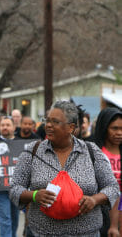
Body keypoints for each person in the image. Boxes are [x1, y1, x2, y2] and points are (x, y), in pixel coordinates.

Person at [10, 100, 120, 236]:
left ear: (71, 128)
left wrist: (95, 199)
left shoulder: (91, 152)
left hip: (86, 233)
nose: (48, 125)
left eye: (55, 122)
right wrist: (34, 195)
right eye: (47, 120)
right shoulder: (33, 151)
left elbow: (113, 188)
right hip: (42, 232)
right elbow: (14, 188)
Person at [94, 107, 122, 237]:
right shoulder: (95, 153)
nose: (119, 133)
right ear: (105, 128)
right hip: (100, 212)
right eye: (114, 128)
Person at [0, 116, 20, 237]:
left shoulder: (20, 144)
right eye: (2, 125)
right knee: (5, 221)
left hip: (16, 189)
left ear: (14, 127)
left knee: (15, 220)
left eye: (8, 125)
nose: (5, 127)